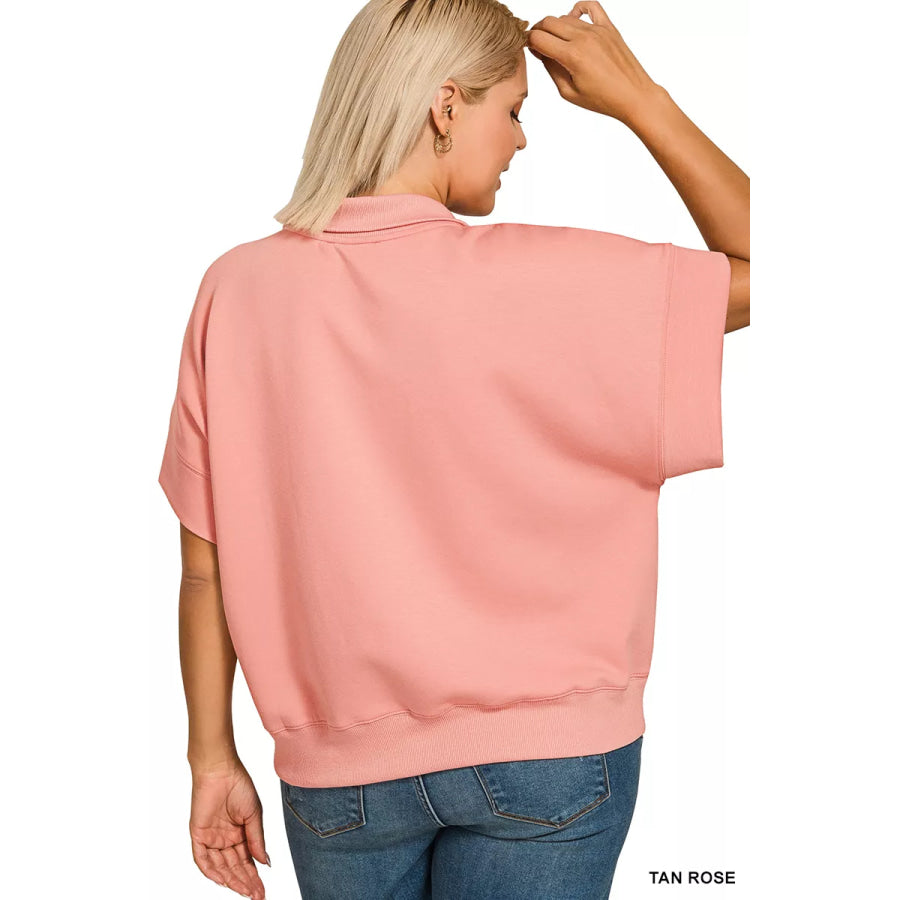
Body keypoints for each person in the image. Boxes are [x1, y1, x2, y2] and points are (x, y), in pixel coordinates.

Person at [157, 1, 749, 898]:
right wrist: (641, 99)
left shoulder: (237, 290)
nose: (520, 140)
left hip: (340, 779)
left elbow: (207, 571)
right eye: (512, 109)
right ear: (445, 107)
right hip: (552, 759)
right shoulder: (563, 280)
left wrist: (211, 759)